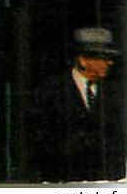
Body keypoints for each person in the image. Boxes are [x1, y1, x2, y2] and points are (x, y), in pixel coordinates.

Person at [31, 26, 124, 182]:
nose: (109, 62)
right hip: (63, 182)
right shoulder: (51, 91)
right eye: (102, 57)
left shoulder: (116, 92)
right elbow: (41, 139)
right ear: (83, 60)